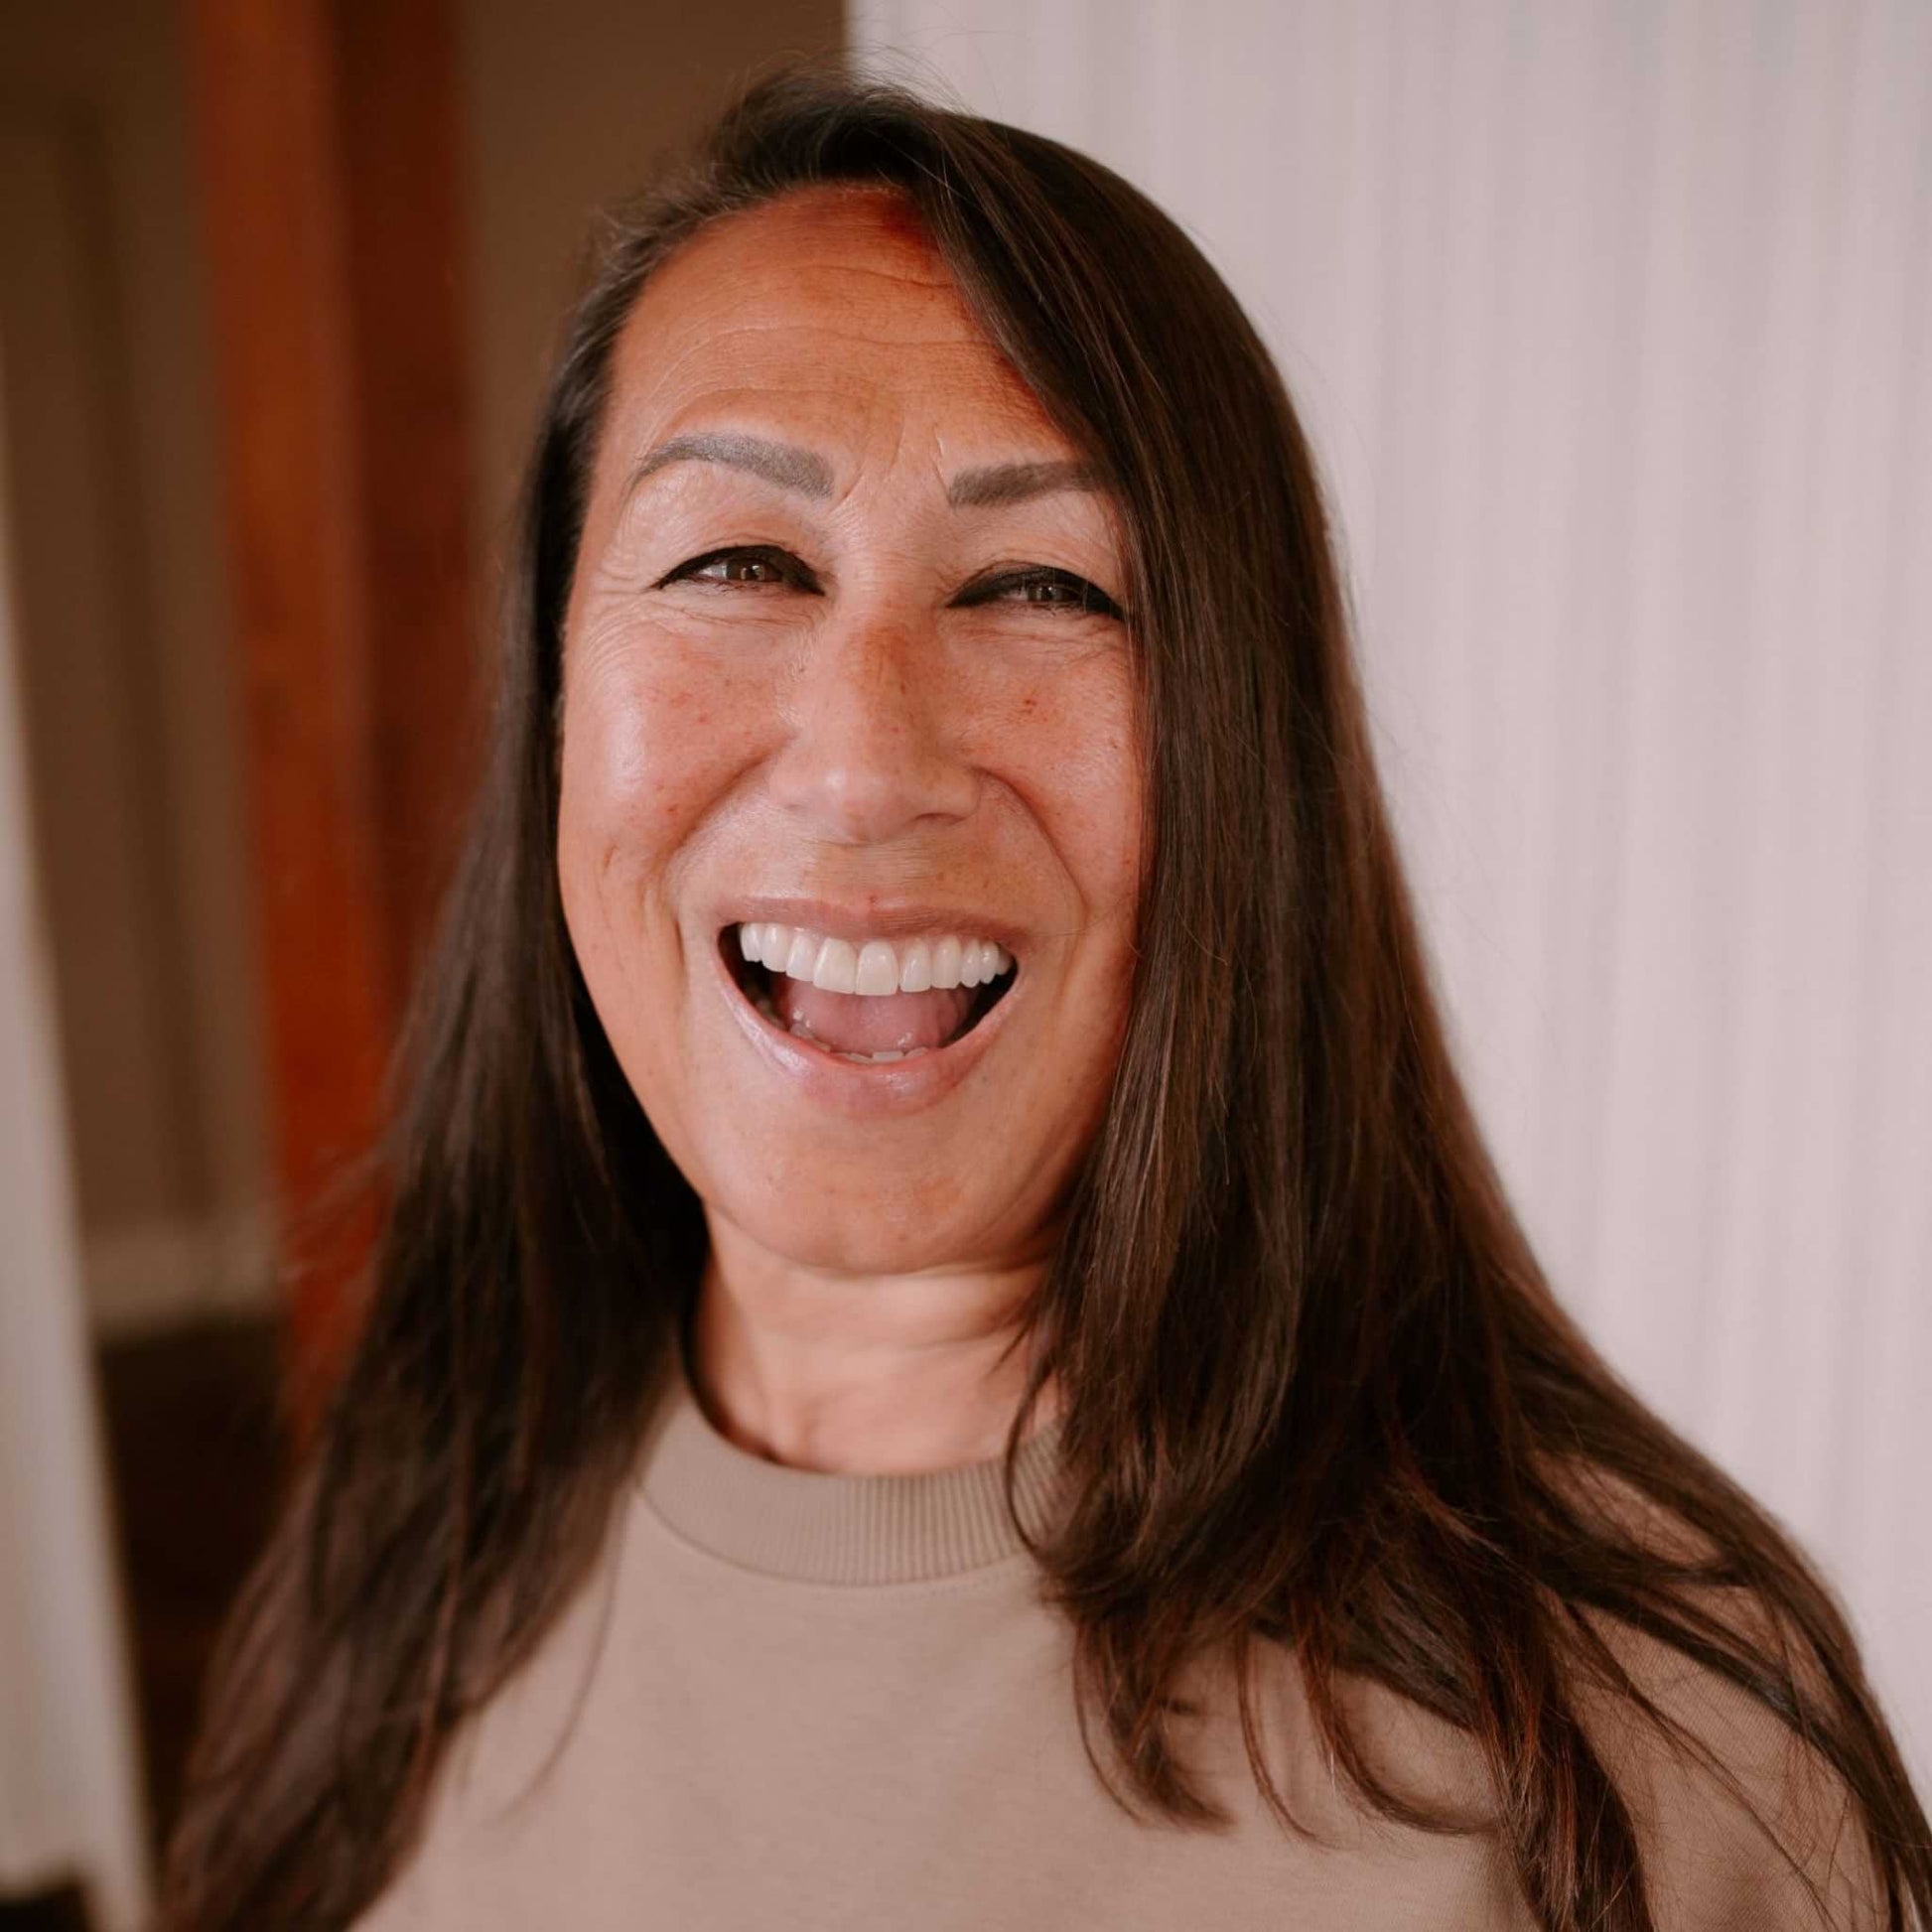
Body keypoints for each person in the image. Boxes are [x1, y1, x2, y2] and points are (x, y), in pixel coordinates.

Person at [161, 64, 1930, 1932]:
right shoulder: (420, 1536)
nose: (863, 763)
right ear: (556, 717)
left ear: (1242, 758)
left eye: (1039, 586)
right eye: (737, 562)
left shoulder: (1631, 1739)